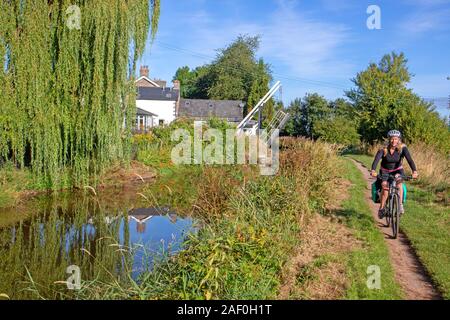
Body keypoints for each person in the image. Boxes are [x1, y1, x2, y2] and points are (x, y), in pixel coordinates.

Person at [371, 130, 418, 218]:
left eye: (396, 139)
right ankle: (382, 208)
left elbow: (410, 160)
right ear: (389, 139)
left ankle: (400, 205)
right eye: (392, 139)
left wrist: (414, 171)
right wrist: (373, 170)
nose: (394, 141)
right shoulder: (383, 149)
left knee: (399, 183)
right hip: (385, 171)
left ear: (399, 139)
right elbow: (376, 160)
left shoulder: (402, 148)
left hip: (397, 170)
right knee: (385, 188)